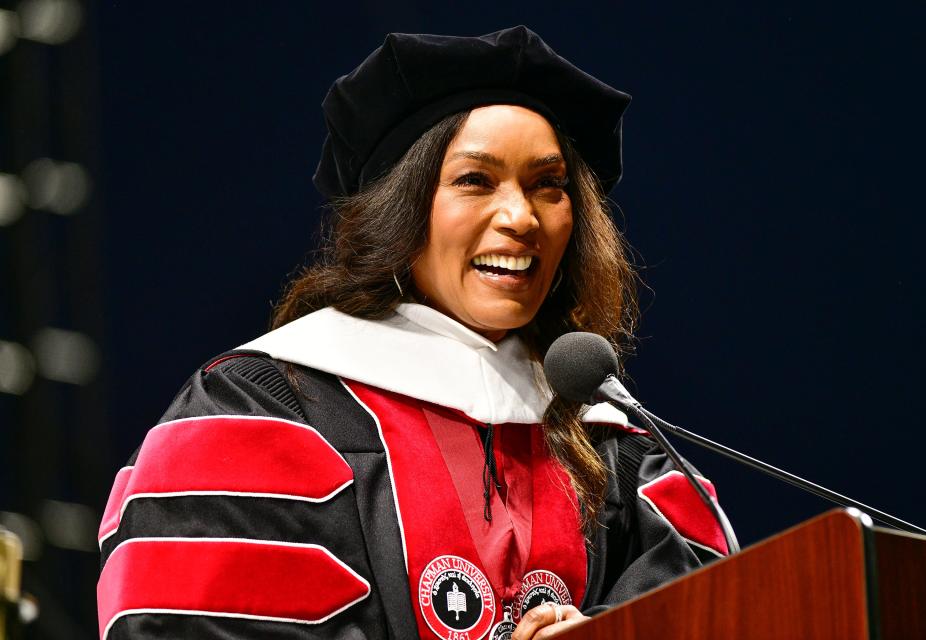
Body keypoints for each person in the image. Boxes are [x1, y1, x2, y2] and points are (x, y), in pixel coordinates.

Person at [96, 26, 731, 640]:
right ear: (400, 210)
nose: (520, 216)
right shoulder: (263, 411)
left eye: (548, 186)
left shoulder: (612, 442)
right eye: (474, 181)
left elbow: (728, 607)